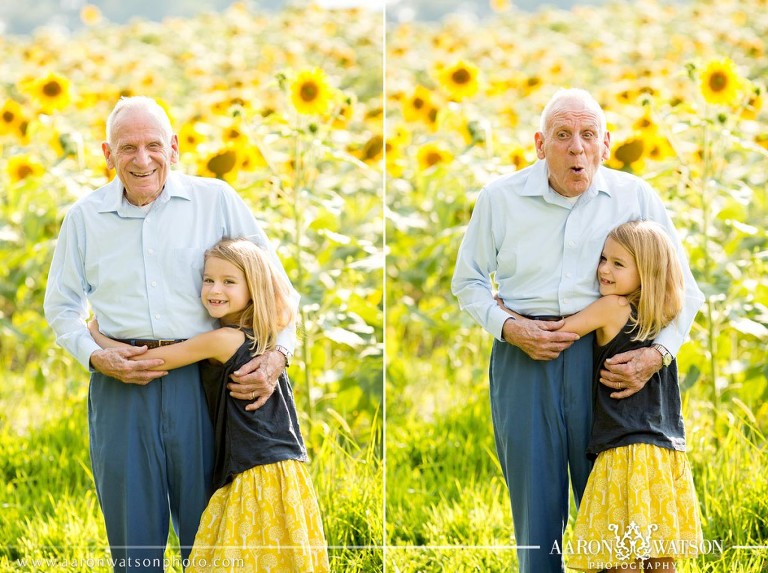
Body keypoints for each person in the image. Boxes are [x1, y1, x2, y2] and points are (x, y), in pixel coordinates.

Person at [451, 88, 704, 573]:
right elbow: (468, 281)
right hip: (523, 359)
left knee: (613, 514)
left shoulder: (636, 196)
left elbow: (683, 291)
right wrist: (507, 326)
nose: (576, 148)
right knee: (536, 511)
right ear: (540, 143)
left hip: (610, 364)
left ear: (606, 144)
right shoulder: (500, 199)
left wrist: (656, 356)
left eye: (588, 135)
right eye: (563, 135)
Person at [44, 96, 298, 572]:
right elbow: (61, 308)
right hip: (120, 384)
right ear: (107, 153)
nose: (142, 160)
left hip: (204, 386)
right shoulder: (85, 218)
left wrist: (279, 353)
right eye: (128, 148)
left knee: (209, 532)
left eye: (153, 145)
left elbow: (275, 288)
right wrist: (96, 356)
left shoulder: (216, 199)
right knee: (133, 541)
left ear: (174, 148)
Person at [88, 238, 329, 572]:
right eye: (208, 280)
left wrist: (96, 336)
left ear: (253, 288)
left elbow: (154, 360)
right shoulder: (261, 336)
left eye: (229, 282)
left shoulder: (222, 339)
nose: (215, 290)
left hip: (253, 471)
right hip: (281, 467)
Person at [498, 221, 702, 572]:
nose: (604, 270)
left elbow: (558, 332)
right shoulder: (666, 314)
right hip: (664, 453)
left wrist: (507, 314)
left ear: (647, 271)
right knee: (660, 559)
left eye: (618, 264)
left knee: (619, 558)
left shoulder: (612, 307)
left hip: (623, 452)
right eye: (603, 258)